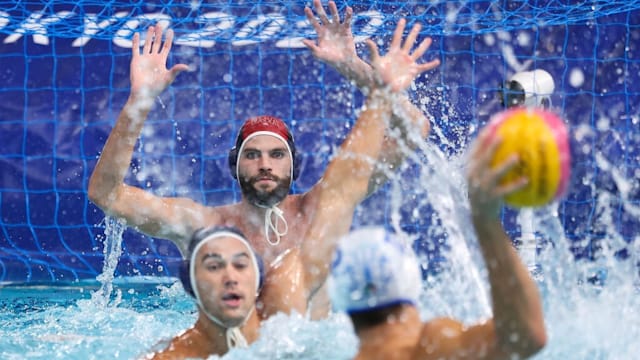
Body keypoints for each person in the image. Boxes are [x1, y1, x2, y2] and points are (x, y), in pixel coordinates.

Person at [87, 0, 439, 319]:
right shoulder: (205, 226)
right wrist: (140, 100)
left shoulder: (321, 207)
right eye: (252, 155)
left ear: (293, 165)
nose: (265, 164)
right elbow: (107, 195)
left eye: (276, 155)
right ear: (235, 166)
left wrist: (355, 68)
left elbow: (414, 131)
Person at [327, 129, 547, 359]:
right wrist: (485, 219)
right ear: (411, 278)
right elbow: (527, 336)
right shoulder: (432, 347)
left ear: (340, 297)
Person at [144, 226, 263, 359]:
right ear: (189, 282)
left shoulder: (285, 332)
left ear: (258, 277)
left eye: (240, 265)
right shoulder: (170, 357)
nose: (231, 278)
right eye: (214, 267)